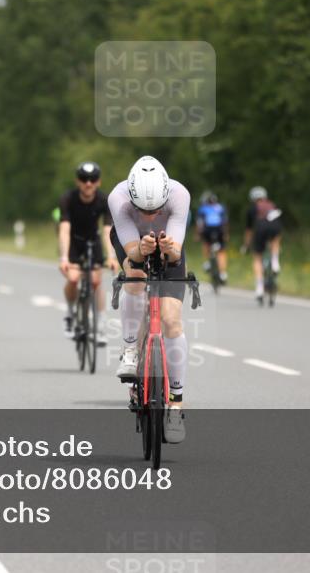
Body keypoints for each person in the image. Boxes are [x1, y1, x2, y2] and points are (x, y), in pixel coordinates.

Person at [107, 155, 191, 444]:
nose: (150, 216)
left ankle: (176, 404)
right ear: (132, 199)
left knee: (171, 321)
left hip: (169, 246)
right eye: (143, 210)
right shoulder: (118, 199)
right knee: (135, 277)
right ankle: (131, 349)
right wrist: (141, 249)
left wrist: (169, 249)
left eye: (156, 210)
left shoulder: (180, 195)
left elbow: (176, 254)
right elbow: (132, 250)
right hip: (131, 243)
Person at [58, 161, 119, 337]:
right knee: (74, 277)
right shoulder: (68, 198)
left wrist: (112, 256)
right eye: (84, 179)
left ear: (98, 182)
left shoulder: (104, 200)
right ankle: (70, 314)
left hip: (93, 240)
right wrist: (64, 258)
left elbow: (108, 229)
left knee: (95, 280)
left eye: (93, 179)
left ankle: (100, 321)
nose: (88, 183)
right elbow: (64, 229)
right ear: (78, 181)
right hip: (74, 242)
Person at [243, 186, 283, 301]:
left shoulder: (252, 208)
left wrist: (246, 245)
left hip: (260, 229)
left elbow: (249, 230)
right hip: (275, 227)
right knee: (276, 239)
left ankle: (259, 288)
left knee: (257, 258)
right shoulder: (272, 205)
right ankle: (275, 262)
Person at [195, 191, 228, 283]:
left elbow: (200, 224)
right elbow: (225, 222)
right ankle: (223, 274)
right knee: (221, 252)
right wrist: (225, 234)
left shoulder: (202, 209)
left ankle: (207, 262)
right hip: (219, 230)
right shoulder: (221, 207)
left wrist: (198, 235)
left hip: (207, 230)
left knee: (206, 243)